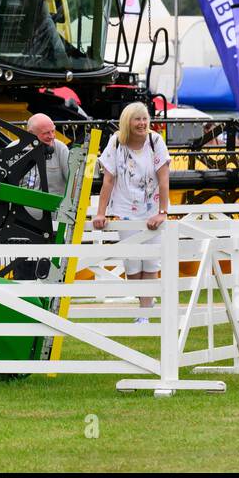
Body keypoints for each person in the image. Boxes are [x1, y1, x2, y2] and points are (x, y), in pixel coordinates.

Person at [92, 102, 171, 324]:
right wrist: (101, 213)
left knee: (151, 261)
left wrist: (162, 212)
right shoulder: (116, 142)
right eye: (137, 119)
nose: (142, 123)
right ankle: (145, 301)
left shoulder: (156, 141)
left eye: (145, 119)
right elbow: (108, 180)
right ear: (128, 121)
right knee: (133, 264)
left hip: (152, 209)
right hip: (125, 210)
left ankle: (144, 313)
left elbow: (164, 179)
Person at [21, 113, 70, 221]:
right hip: (20, 219)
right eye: (46, 133)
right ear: (31, 134)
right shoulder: (14, 150)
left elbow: (73, 182)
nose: (52, 136)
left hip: (54, 220)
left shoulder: (61, 149)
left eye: (53, 131)